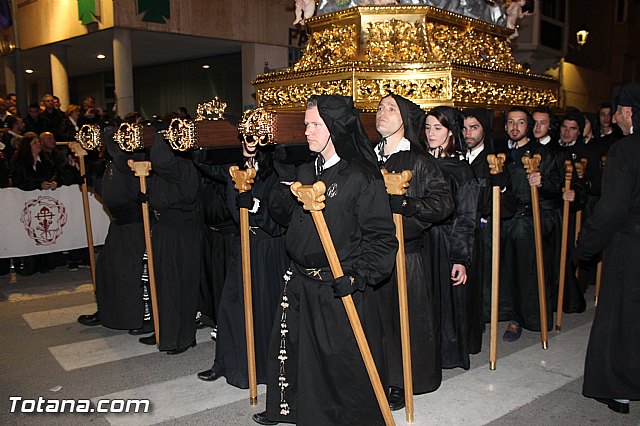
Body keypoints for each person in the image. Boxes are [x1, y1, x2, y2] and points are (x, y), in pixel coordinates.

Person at [254, 95, 398, 425]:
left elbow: (381, 238)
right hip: (300, 281)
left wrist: (361, 275)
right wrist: (283, 181)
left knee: (339, 363)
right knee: (295, 353)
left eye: (315, 125)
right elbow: (284, 219)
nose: (307, 131)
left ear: (335, 128)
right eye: (306, 124)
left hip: (339, 283)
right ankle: (291, 409)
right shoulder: (307, 169)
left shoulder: (362, 176)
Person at [374, 94, 454, 410]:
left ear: (405, 118)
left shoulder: (419, 160)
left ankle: (401, 381)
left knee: (402, 321)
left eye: (390, 108)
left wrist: (410, 205)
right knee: (376, 319)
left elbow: (444, 203)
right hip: (371, 252)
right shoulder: (367, 157)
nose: (382, 112)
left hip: (404, 256)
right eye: (380, 108)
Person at [194, 140, 289, 388]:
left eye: (255, 137)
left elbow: (283, 216)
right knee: (231, 306)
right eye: (244, 136)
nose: (249, 142)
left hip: (269, 248)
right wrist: (205, 134)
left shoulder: (277, 170)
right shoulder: (232, 167)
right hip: (242, 244)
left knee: (266, 308)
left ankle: (266, 371)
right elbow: (202, 160)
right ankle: (226, 364)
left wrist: (256, 207)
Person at [574, 82, 640, 415]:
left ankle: (620, 389)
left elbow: (612, 209)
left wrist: (585, 244)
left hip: (630, 248)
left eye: (617, 112)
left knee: (623, 316)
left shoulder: (626, 149)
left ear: (628, 111)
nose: (614, 119)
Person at [423, 106, 479, 369]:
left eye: (438, 128)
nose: (431, 134)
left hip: (447, 241)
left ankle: (446, 355)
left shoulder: (461, 170)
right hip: (422, 241)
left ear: (450, 132)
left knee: (445, 300)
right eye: (427, 127)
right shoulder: (420, 161)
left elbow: (466, 216)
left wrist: (460, 258)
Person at [77, 130, 149, 332]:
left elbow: (125, 188)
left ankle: (135, 317)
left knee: (129, 274)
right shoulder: (113, 163)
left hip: (133, 226)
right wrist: (93, 180)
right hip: (118, 226)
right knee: (105, 269)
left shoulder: (130, 161)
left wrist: (108, 138)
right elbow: (111, 193)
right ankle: (107, 311)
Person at [138, 135, 202, 354]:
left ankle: (183, 337)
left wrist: (158, 137)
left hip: (181, 233)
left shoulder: (182, 167)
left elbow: (163, 162)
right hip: (164, 230)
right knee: (164, 284)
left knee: (179, 285)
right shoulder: (164, 168)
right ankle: (165, 332)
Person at [500, 106, 559, 341]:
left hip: (529, 221)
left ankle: (521, 318)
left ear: (529, 126)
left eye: (521, 123)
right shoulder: (499, 154)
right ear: (505, 127)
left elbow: (557, 185)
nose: (515, 127)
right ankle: (506, 313)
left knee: (528, 273)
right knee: (506, 272)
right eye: (511, 122)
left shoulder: (541, 154)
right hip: (504, 221)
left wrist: (542, 181)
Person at [463, 108, 516, 342]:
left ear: (484, 129)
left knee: (483, 277)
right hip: (458, 228)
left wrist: (501, 187)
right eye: (464, 128)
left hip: (483, 229)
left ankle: (483, 317)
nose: (468, 133)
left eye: (474, 128)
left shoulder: (494, 160)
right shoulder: (457, 157)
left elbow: (507, 205)